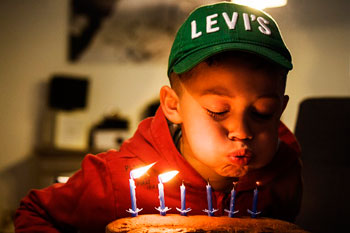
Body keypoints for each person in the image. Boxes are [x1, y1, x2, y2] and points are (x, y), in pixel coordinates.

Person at [15, 2, 302, 232]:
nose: (241, 131)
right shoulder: (118, 180)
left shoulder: (285, 176)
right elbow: (35, 212)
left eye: (263, 112)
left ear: (280, 108)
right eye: (218, 111)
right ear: (173, 105)